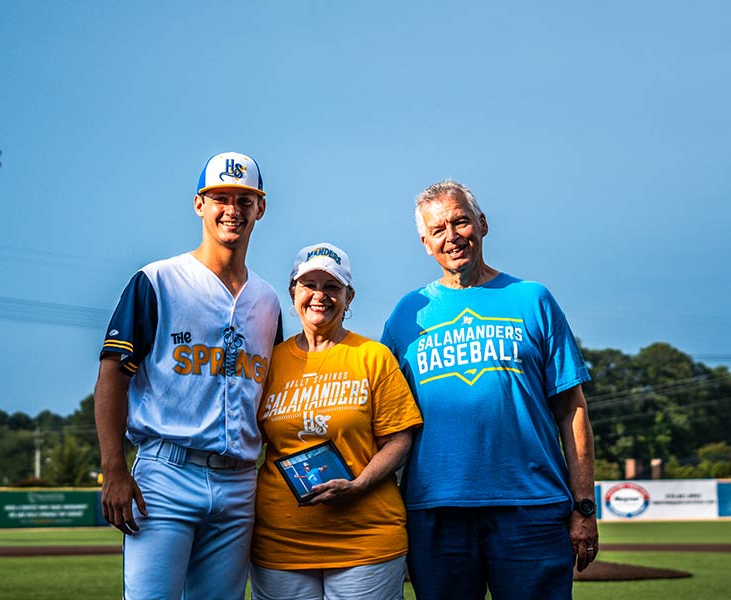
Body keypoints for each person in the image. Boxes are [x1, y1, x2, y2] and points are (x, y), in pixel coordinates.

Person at [381, 180, 599, 600]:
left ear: (481, 224)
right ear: (425, 243)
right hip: (436, 511)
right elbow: (388, 422)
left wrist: (584, 506)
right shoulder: (406, 314)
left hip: (531, 508)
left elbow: (572, 410)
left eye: (460, 222)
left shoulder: (532, 299)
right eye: (438, 230)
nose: (452, 237)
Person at [94, 152, 282, 599]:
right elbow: (111, 376)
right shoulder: (157, 280)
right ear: (199, 204)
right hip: (165, 472)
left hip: (239, 481)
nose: (231, 210)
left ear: (260, 207)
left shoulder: (269, 300)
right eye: (220, 198)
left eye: (244, 199)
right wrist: (113, 468)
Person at [250, 243, 423, 600]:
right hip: (281, 541)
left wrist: (359, 484)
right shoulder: (268, 361)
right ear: (293, 292)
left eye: (332, 286)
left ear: (349, 296)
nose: (319, 295)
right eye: (309, 284)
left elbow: (399, 439)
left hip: (365, 539)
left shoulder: (373, 357)